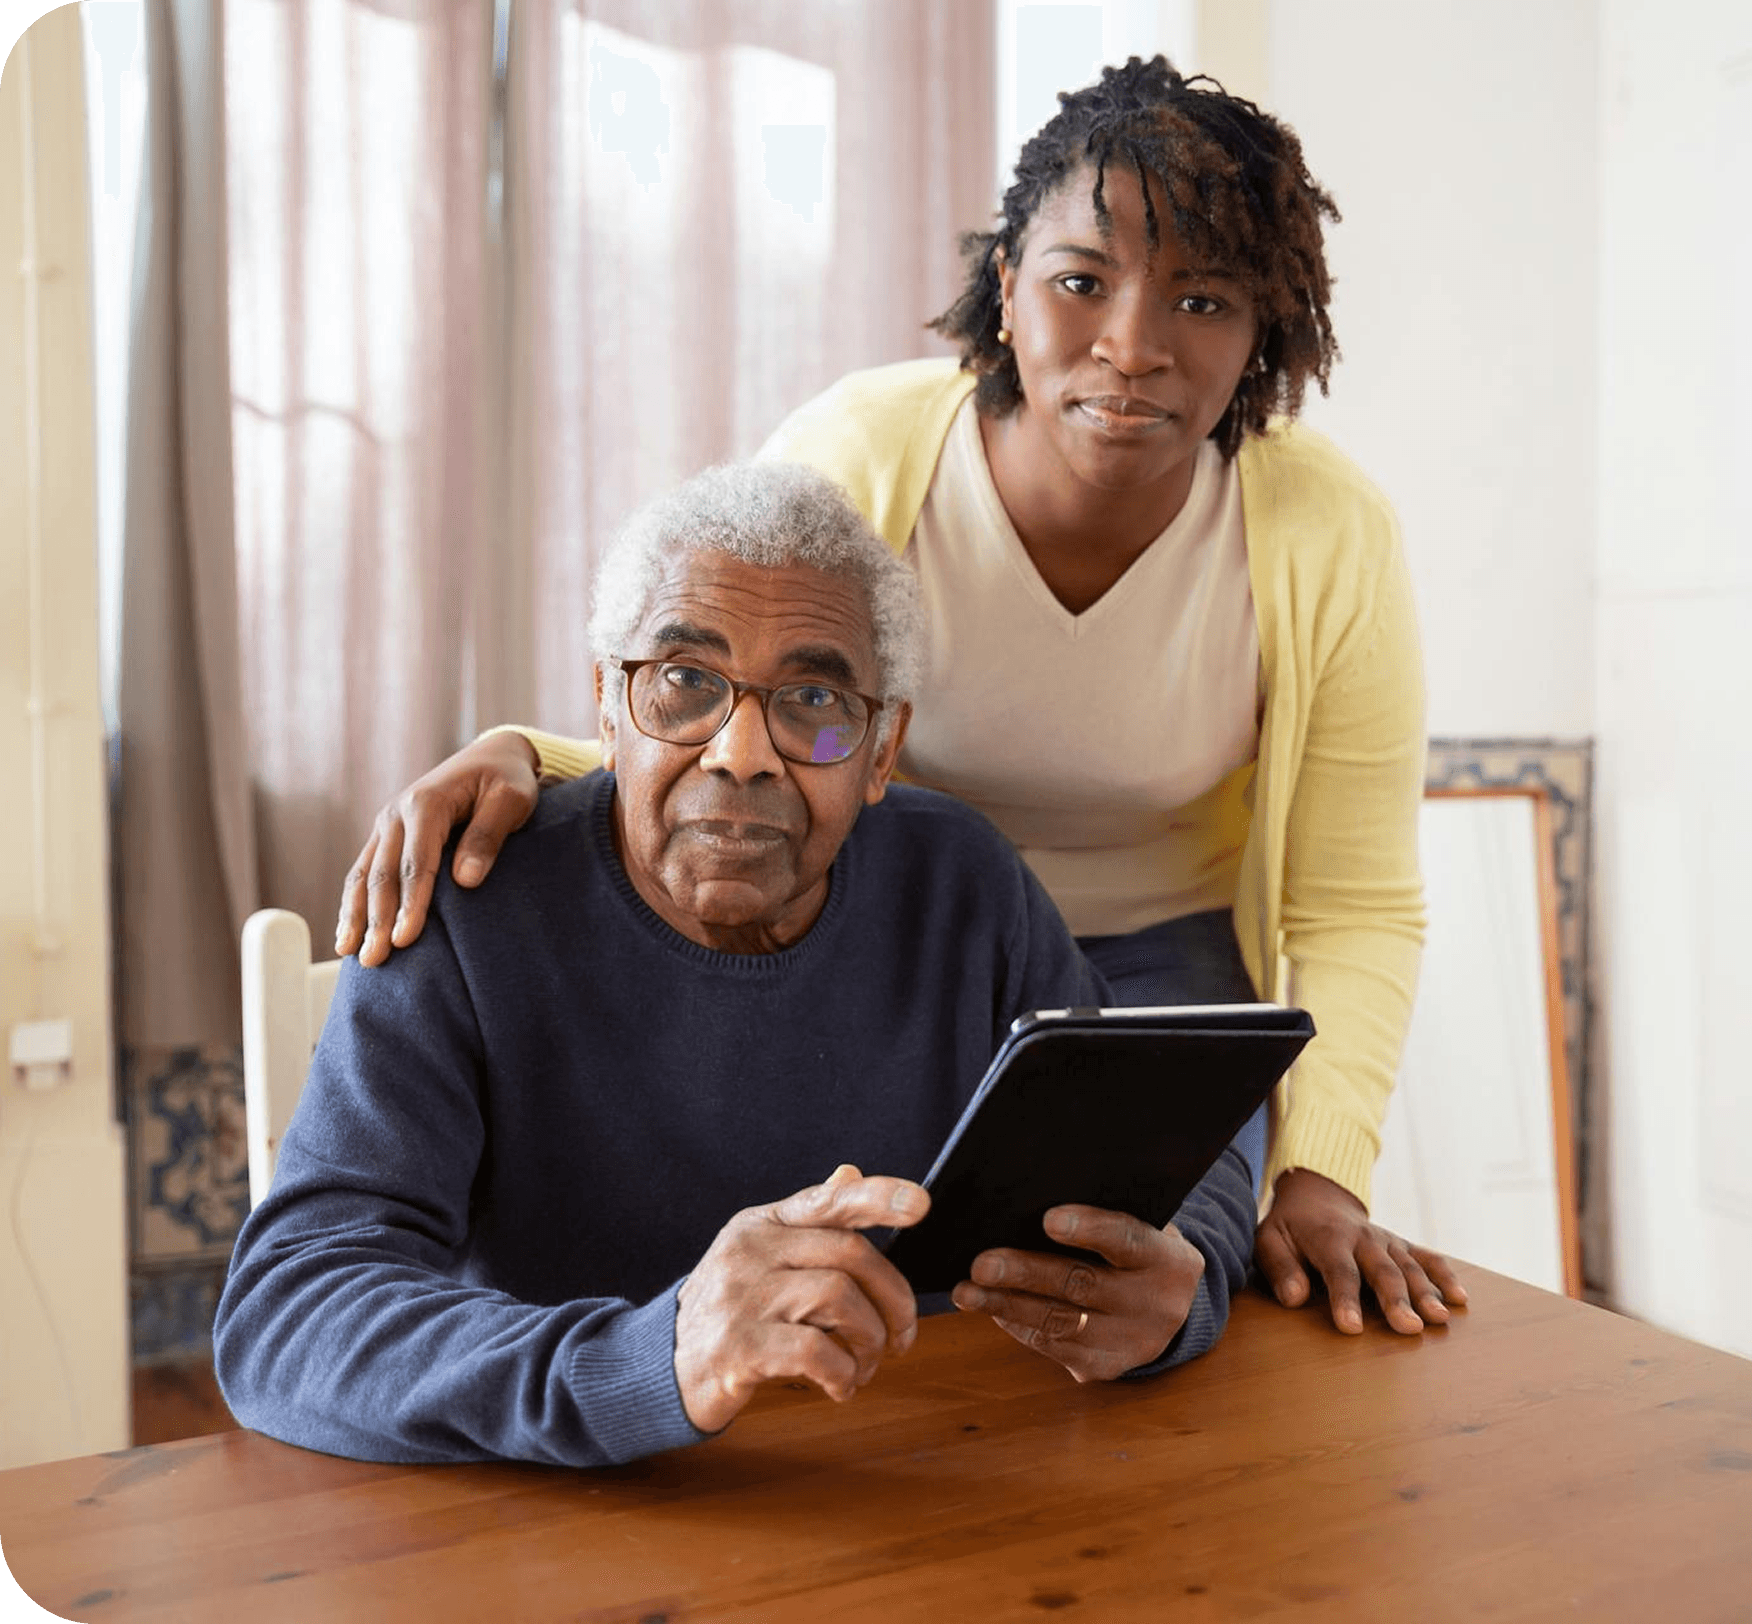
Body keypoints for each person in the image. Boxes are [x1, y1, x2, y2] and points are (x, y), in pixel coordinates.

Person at [334, 56, 1466, 1338]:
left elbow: (1356, 901)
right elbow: (726, 683)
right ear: (1008, 285)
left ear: (1265, 326)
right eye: (1081, 281)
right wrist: (526, 752)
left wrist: (1317, 1178)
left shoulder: (1329, 533)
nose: (1134, 346)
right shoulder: (870, 453)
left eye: (1202, 299)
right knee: (899, 1291)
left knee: (1150, 1313)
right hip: (911, 941)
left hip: (1166, 976)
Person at [214, 462, 1254, 1466]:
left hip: (932, 1487)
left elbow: (1179, 1160)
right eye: (684, 683)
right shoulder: (465, 905)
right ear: (608, 710)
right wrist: (654, 1358)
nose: (741, 751)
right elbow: (290, 1314)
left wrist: (1181, 1293)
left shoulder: (964, 885)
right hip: (569, 1520)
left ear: (883, 750)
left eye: (813, 701)